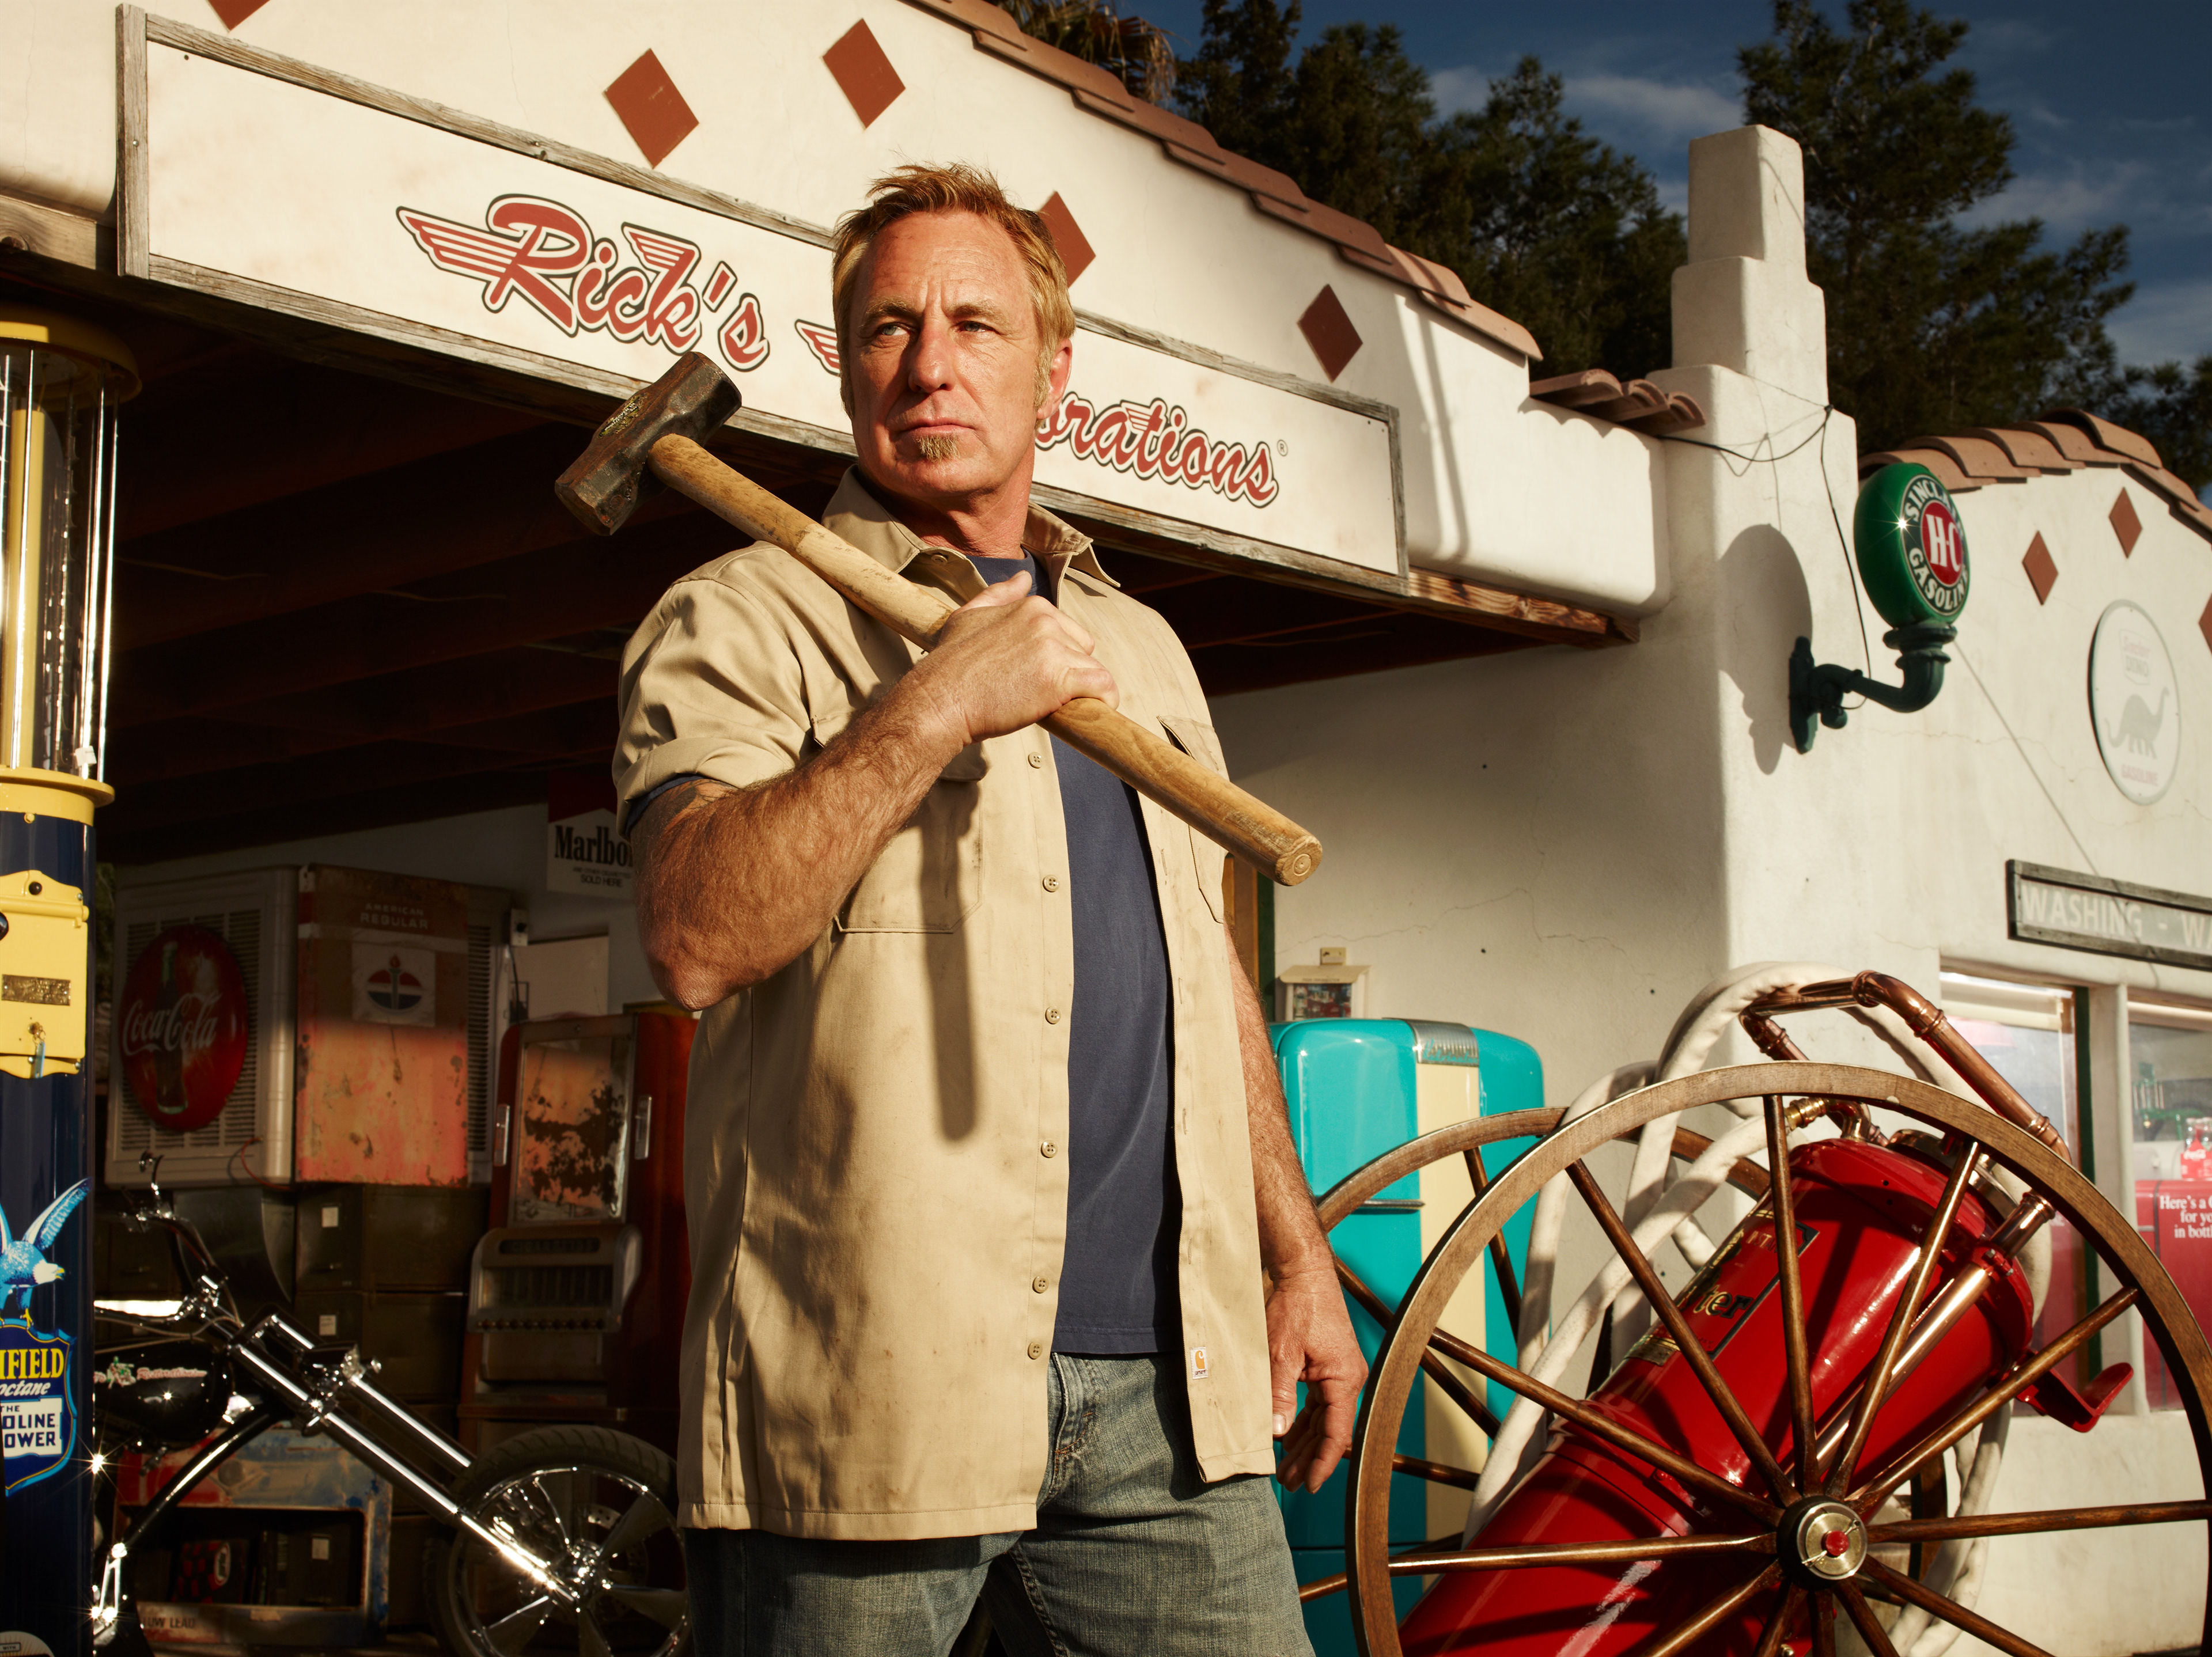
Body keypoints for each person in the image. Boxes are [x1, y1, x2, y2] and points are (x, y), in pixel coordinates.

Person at [615, 162, 1363, 1656]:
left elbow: (1203, 967)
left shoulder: (1142, 648)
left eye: (976, 323)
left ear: (1053, 367)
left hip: (1171, 1394)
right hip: (873, 1385)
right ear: (848, 369)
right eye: (889, 328)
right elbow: (696, 935)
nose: (930, 364)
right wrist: (931, 707)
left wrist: (1296, 1256)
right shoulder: (741, 618)